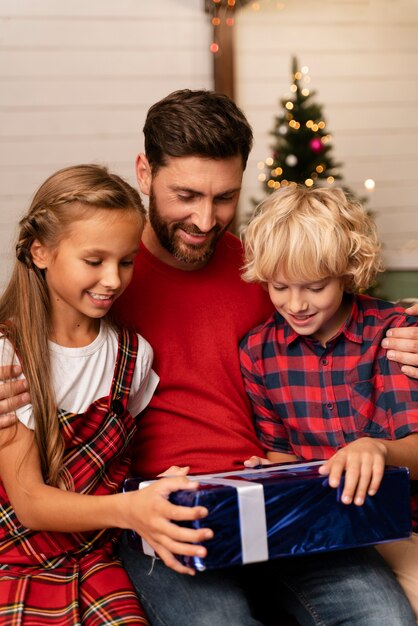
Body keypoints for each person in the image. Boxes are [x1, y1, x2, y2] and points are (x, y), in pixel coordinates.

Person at [1, 91, 418, 625]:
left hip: (276, 499)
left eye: (224, 197)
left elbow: (350, 318)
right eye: (187, 195)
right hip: (163, 513)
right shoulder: (105, 280)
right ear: (144, 173)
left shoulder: (266, 272)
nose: (204, 218)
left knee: (381, 614)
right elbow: (37, 336)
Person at [0, 164, 211, 625]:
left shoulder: (132, 356)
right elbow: (32, 504)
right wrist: (131, 510)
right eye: (94, 261)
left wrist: (158, 490)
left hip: (98, 559)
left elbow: (121, 466)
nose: (113, 279)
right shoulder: (10, 357)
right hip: (15, 561)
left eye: (126, 260)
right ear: (41, 252)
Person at [239, 184, 418, 620]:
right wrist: (273, 475)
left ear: (347, 272)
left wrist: (377, 449)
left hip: (398, 527)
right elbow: (280, 453)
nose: (296, 304)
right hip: (320, 533)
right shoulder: (259, 352)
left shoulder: (391, 334)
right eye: (280, 287)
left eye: (315, 287)